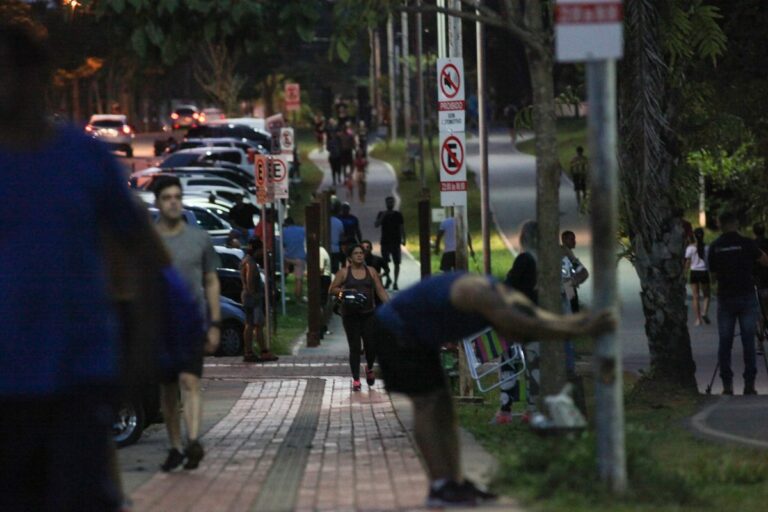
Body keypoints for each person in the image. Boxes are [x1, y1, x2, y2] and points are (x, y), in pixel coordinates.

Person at [0, 22, 149, 511]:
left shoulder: (83, 159)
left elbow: (144, 255)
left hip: (78, 381)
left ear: (33, 75)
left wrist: (138, 361)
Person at [370, 272, 615, 507]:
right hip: (395, 330)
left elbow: (539, 321)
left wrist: (584, 322)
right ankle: (441, 487)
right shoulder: (489, 298)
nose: (515, 340)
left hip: (419, 335)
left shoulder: (510, 299)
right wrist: (584, 327)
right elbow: (532, 325)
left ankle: (455, 482)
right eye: (518, 336)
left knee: (444, 406)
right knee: (427, 403)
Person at [153, 175, 222, 471]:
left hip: (191, 322)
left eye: (177, 197)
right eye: (167, 197)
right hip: (160, 324)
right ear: (158, 202)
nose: (173, 202)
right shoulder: (149, 241)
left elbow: (211, 280)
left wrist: (215, 322)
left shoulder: (199, 239)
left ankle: (194, 440)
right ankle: (175, 445)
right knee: (168, 389)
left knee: (190, 381)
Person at [708, 211, 768, 395]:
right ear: (736, 224)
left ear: (720, 225)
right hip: (747, 295)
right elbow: (765, 261)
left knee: (725, 342)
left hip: (726, 297)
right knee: (748, 340)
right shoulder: (747, 243)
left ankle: (727, 384)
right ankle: (749, 384)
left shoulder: (715, 246)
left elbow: (712, 275)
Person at [494, 221, 541, 425]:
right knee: (533, 366)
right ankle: (532, 410)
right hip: (537, 319)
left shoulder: (525, 259)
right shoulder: (547, 261)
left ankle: (505, 408)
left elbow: (509, 286)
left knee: (508, 362)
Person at [329, 245, 389, 391]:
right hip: (350, 316)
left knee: (371, 345)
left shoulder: (371, 271)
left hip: (369, 314)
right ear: (350, 257)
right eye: (356, 253)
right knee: (355, 347)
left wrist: (391, 306)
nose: (359, 255)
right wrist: (346, 293)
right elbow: (332, 290)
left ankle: (369, 368)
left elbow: (380, 290)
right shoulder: (343, 273)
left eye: (361, 253)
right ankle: (356, 379)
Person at [241, 237, 279, 363]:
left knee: (250, 325)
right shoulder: (250, 263)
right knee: (257, 325)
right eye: (260, 250)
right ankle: (260, 351)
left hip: (248, 297)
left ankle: (250, 351)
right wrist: (255, 294)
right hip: (253, 299)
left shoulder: (245, 261)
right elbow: (250, 281)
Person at [560, 230, 589, 378]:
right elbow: (583, 272)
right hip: (566, 291)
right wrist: (570, 284)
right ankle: (568, 364)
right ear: (564, 240)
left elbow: (583, 272)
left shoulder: (567, 254)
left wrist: (571, 283)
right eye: (572, 239)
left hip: (568, 290)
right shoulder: (565, 254)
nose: (574, 242)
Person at [375, 196, 405, 289]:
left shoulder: (398, 214)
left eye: (391, 202)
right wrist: (383, 216)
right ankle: (388, 278)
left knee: (397, 263)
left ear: (394, 203)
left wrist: (404, 239)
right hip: (385, 241)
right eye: (388, 202)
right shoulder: (381, 213)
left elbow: (402, 227)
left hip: (396, 241)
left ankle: (395, 282)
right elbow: (376, 224)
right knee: (385, 262)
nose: (390, 204)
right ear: (386, 203)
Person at [685, 227, 711, 326]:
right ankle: (704, 312)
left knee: (695, 296)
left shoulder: (690, 248)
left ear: (694, 236)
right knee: (706, 295)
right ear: (703, 236)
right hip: (704, 272)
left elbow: (687, 261)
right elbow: (709, 261)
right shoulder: (707, 248)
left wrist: (685, 272)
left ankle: (698, 319)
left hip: (694, 273)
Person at [282, 216, 307, 302]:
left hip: (287, 257)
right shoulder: (302, 230)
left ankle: (283, 291)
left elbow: (283, 245)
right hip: (299, 257)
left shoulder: (284, 232)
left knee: (283, 274)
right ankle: (298, 298)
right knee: (299, 279)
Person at [330, 201, 346, 273]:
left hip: (325, 248)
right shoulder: (338, 222)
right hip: (335, 249)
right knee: (335, 269)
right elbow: (342, 237)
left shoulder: (322, 221)